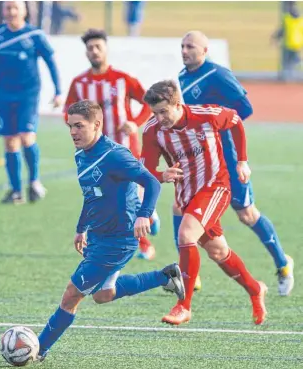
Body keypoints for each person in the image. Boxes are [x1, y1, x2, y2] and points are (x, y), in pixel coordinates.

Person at [36, 100, 185, 360]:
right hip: (97, 236)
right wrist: (81, 228)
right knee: (104, 295)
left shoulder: (114, 154)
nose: (73, 132)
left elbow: (151, 183)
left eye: (79, 126)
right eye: (70, 126)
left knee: (71, 295)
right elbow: (91, 195)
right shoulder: (81, 155)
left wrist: (144, 215)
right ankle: (166, 276)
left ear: (97, 125)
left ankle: (37, 349)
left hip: (118, 240)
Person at [176, 30, 294, 296]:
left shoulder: (217, 74)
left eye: (190, 46)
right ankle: (189, 276)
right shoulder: (182, 77)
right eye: (182, 46)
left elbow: (246, 108)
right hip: (203, 159)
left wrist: (222, 124)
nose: (184, 51)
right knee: (181, 207)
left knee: (246, 215)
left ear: (204, 51)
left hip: (228, 158)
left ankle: (283, 263)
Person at [140, 80, 267, 326]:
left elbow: (236, 121)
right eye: (155, 112)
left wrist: (242, 161)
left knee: (186, 235)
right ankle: (255, 289)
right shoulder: (152, 130)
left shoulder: (207, 115)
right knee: (218, 251)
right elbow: (145, 172)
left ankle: (183, 305)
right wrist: (162, 175)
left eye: (163, 111)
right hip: (187, 195)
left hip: (216, 187)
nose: (159, 117)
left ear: (178, 104)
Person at [64, 28, 160, 261]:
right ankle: (148, 224)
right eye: (90, 48)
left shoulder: (122, 79)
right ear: (86, 52)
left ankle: (145, 243)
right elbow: (68, 113)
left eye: (98, 46)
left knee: (129, 199)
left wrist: (135, 122)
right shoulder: (79, 83)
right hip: (96, 154)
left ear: (106, 49)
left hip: (125, 149)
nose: (94, 51)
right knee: (109, 200)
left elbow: (150, 103)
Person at [0, 1, 62, 204]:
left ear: (24, 11)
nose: (11, 12)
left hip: (28, 94)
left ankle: (34, 181)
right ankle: (16, 191)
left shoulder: (34, 36)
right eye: (7, 8)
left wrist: (58, 91)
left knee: (27, 137)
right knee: (10, 142)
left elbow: (51, 62)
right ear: (3, 11)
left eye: (15, 8)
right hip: (3, 95)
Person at [271, 1, 303, 79]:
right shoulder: (299, 17)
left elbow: (282, 30)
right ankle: (291, 74)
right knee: (293, 59)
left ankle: (288, 76)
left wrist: (275, 37)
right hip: (297, 42)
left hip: (289, 43)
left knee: (288, 61)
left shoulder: (287, 18)